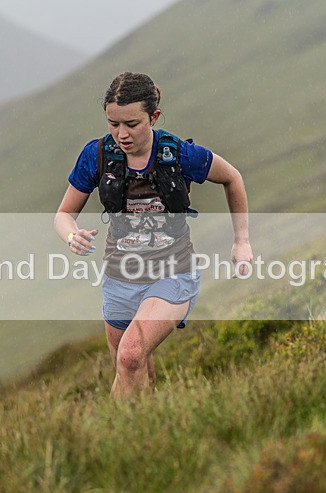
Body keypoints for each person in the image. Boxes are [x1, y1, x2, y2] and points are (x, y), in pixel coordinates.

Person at [54, 72, 253, 399]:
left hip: (173, 273)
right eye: (112, 124)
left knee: (130, 355)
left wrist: (241, 240)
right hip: (120, 277)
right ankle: (146, 434)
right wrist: (71, 235)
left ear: (154, 117)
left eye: (132, 124)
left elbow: (233, 178)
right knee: (132, 366)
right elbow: (64, 215)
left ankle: (107, 435)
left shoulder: (179, 155)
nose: (121, 134)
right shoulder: (98, 155)